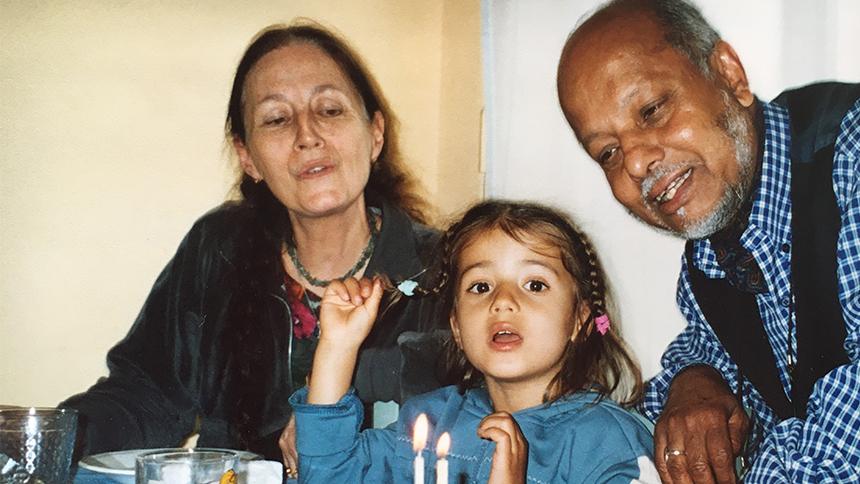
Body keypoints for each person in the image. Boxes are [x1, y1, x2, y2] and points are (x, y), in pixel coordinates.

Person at [60, 22, 444, 471]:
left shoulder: (443, 271)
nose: (307, 135)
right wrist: (43, 438)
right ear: (248, 157)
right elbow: (144, 396)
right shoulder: (217, 249)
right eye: (277, 119)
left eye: (330, 110)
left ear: (375, 134)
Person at [556, 0, 860, 482]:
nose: (635, 164)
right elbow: (706, 345)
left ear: (729, 75)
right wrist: (693, 380)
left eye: (652, 110)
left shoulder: (851, 155)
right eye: (608, 152)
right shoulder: (711, 256)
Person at [289, 200, 659, 483]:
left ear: (580, 318)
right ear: (457, 325)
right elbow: (329, 474)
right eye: (480, 286)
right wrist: (338, 346)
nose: (502, 300)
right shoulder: (430, 424)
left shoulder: (609, 444)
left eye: (535, 284)